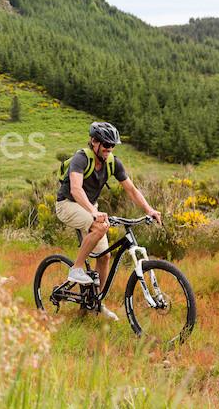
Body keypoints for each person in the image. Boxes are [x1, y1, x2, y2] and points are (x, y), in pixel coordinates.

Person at [55, 122, 162, 320]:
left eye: (112, 145)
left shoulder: (113, 163)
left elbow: (131, 190)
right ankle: (76, 269)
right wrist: (93, 212)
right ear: (94, 142)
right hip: (67, 204)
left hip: (89, 208)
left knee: (104, 257)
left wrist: (149, 210)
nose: (109, 149)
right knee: (100, 226)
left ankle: (95, 304)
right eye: (106, 144)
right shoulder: (81, 158)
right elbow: (76, 190)